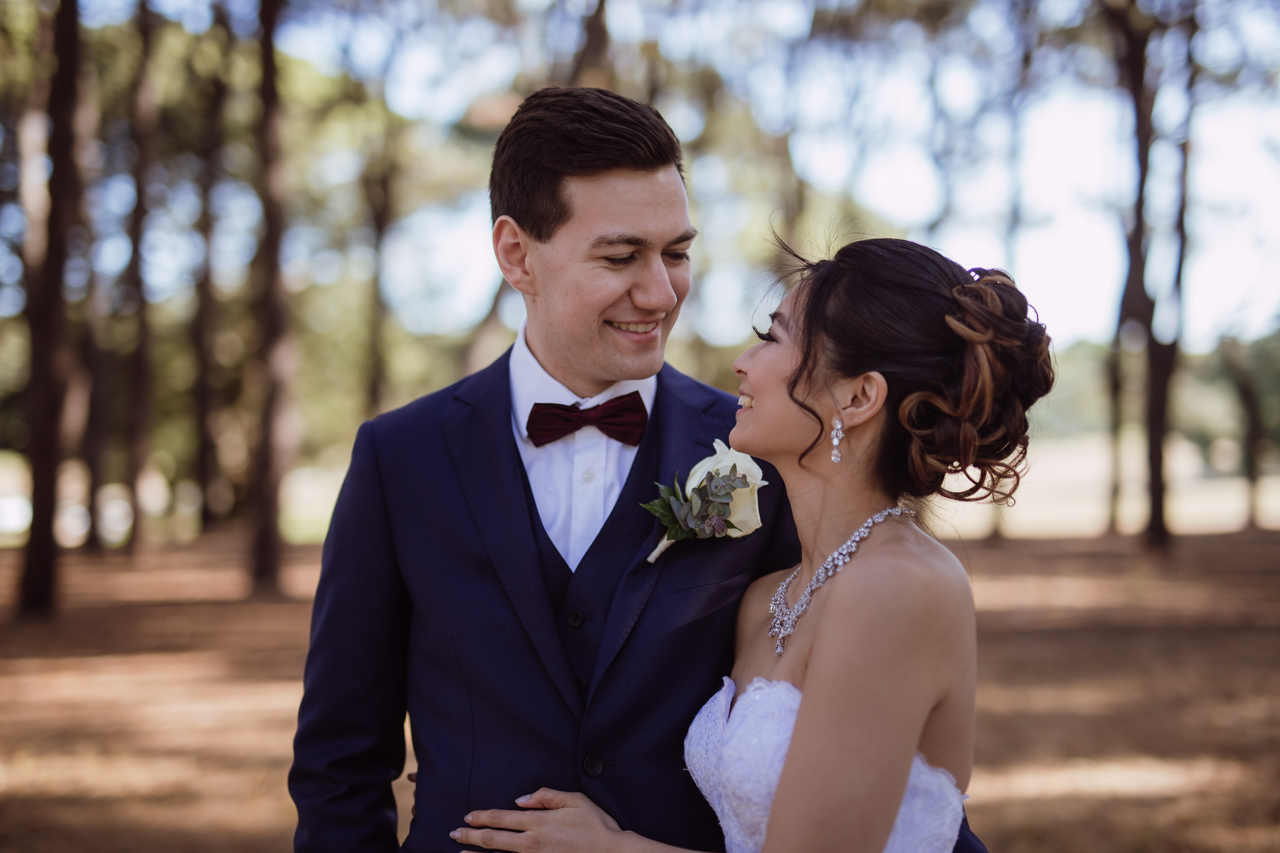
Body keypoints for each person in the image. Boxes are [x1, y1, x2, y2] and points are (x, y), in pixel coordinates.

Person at [288, 86, 805, 853]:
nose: (660, 292)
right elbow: (341, 758)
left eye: (678, 253)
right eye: (621, 256)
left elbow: (824, 724)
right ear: (515, 254)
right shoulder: (399, 458)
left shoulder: (755, 454)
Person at [449, 238, 1053, 853]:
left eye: (773, 337)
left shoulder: (899, 586)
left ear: (858, 397)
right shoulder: (769, 595)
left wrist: (606, 847)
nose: (742, 361)